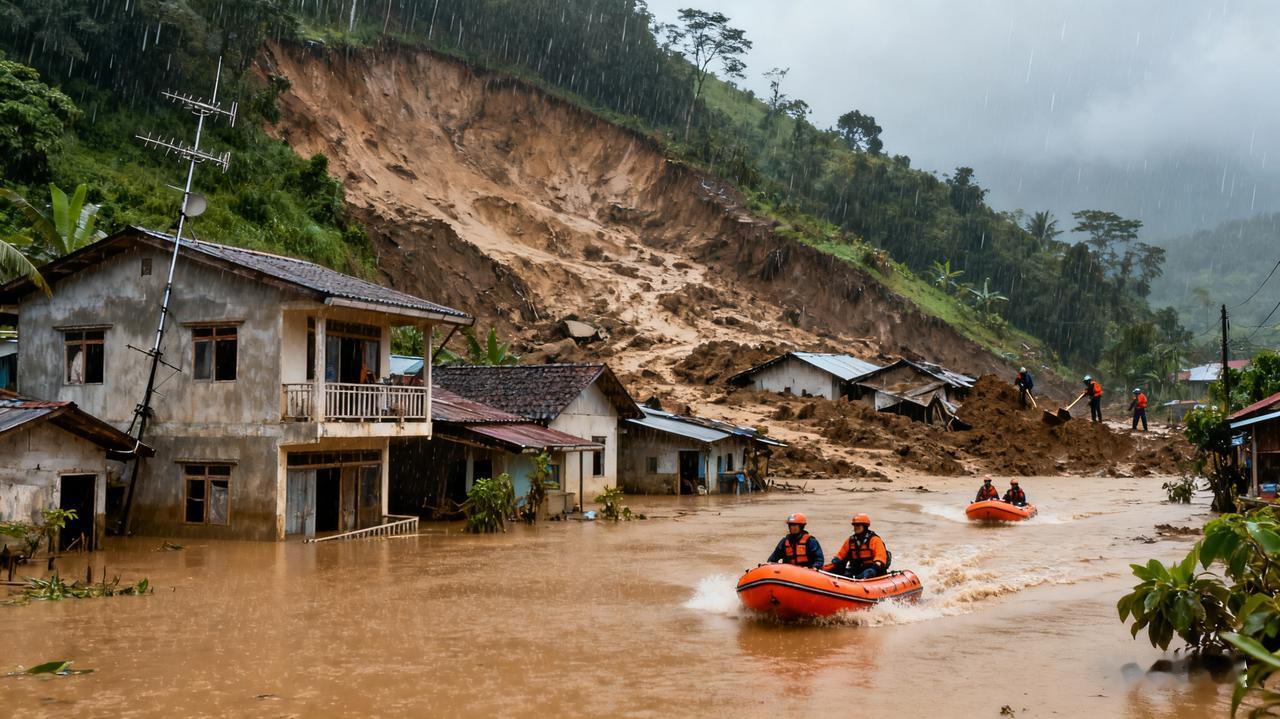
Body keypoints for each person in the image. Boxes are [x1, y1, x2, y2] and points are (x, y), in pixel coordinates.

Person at [825, 513, 889, 580]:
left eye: (858, 525)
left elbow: (880, 558)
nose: (855, 527)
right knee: (837, 567)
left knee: (869, 572)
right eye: (854, 525)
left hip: (873, 570)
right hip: (856, 569)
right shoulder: (850, 540)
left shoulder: (875, 540)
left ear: (864, 526)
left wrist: (873, 569)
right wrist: (834, 563)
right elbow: (841, 555)